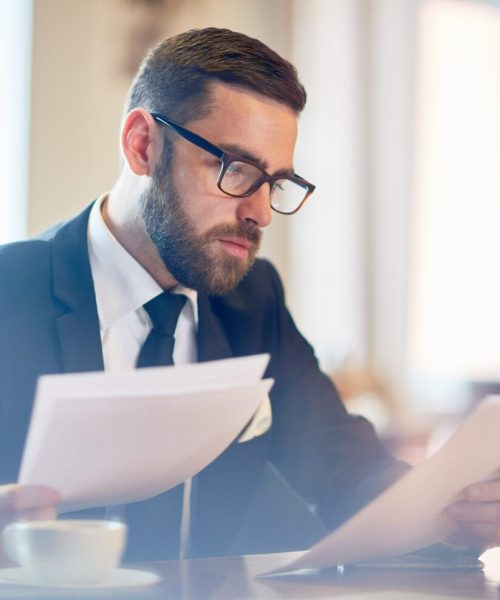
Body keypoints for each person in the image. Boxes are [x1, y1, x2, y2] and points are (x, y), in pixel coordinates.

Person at [0, 27, 498, 562]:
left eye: (275, 183)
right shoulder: (12, 294)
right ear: (142, 145)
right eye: (235, 169)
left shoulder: (253, 298)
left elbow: (343, 466)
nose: (260, 212)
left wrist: (450, 513)